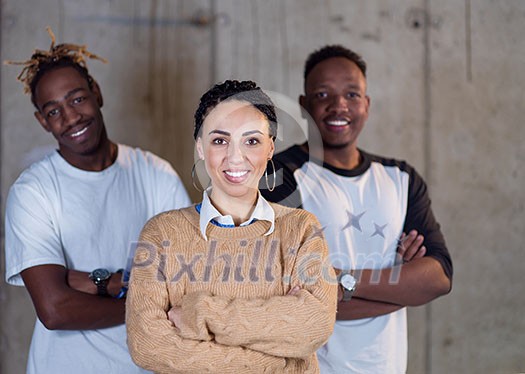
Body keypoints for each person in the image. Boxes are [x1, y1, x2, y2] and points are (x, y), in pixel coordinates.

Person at [3, 28, 191, 373]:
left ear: (97, 93)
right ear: (42, 121)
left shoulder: (155, 174)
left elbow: (182, 284)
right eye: (54, 111)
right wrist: (140, 297)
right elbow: (55, 310)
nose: (71, 117)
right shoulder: (33, 191)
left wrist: (87, 281)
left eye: (77, 99)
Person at [261, 45, 453, 373]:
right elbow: (294, 300)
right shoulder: (279, 176)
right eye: (323, 94)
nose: (339, 106)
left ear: (367, 104)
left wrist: (343, 281)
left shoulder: (401, 178)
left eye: (352, 94)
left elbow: (438, 277)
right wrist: (403, 286)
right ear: (305, 106)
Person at [126, 80, 338, 373]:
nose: (236, 156)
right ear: (200, 147)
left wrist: (200, 312)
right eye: (219, 140)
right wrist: (275, 361)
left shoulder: (301, 230)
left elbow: (314, 325)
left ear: (270, 148)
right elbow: (148, 346)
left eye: (251, 141)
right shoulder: (162, 234)